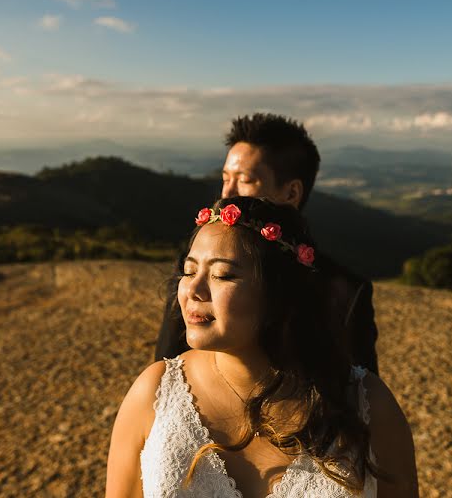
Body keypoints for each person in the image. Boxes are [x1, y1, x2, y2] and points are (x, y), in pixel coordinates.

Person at [105, 197, 418, 497]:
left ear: (278, 294)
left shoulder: (369, 406)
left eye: (222, 275)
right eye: (189, 271)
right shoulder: (154, 394)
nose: (193, 290)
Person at [155, 113, 379, 375]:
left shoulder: (345, 291)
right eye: (226, 178)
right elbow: (166, 367)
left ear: (291, 193)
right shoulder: (194, 269)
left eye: (245, 180)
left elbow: (360, 391)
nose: (227, 194)